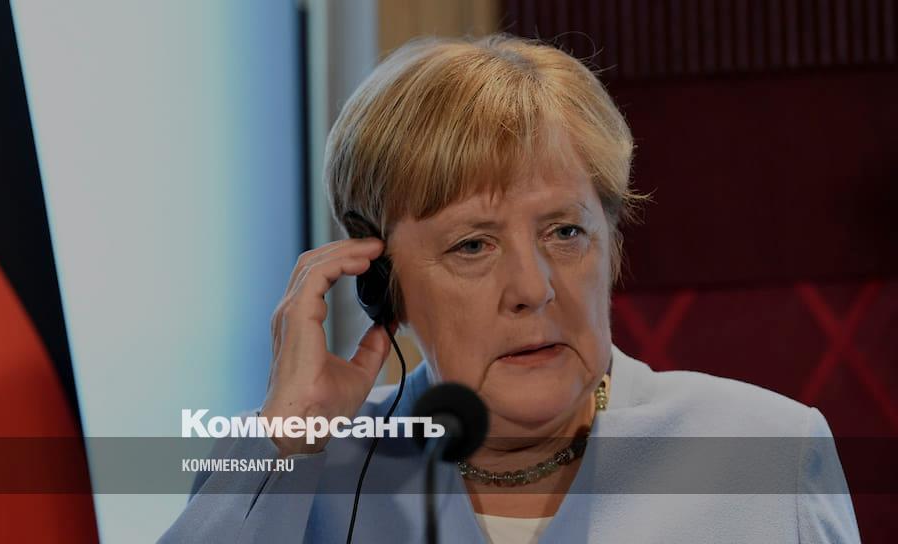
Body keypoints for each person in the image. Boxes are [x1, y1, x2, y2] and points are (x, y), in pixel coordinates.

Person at [160, 34, 860, 543]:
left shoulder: (768, 451)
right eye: (473, 245)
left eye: (565, 232)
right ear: (382, 282)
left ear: (612, 244)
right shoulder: (298, 469)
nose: (533, 288)